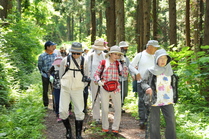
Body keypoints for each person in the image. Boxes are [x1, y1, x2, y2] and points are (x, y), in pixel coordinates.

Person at [141, 49, 177, 139]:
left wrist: (175, 96)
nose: (163, 61)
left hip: (167, 100)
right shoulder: (150, 71)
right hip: (154, 100)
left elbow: (174, 85)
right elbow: (143, 82)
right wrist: (147, 88)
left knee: (171, 121)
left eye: (165, 58)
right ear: (156, 59)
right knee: (154, 123)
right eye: (160, 58)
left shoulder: (170, 72)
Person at [94, 45, 128, 134]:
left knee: (118, 108)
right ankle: (105, 127)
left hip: (116, 88)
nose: (117, 56)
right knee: (105, 109)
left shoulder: (119, 64)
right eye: (115, 54)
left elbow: (124, 75)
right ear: (110, 54)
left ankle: (115, 128)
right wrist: (98, 81)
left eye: (119, 55)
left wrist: (124, 64)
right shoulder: (103, 62)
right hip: (105, 87)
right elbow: (96, 74)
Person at [129, 40, 160, 129]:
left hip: (153, 83)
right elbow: (131, 65)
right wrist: (137, 73)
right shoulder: (140, 55)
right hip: (141, 82)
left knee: (152, 101)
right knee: (142, 101)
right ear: (149, 47)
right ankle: (142, 120)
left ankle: (150, 120)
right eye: (155, 47)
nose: (156, 49)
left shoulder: (155, 57)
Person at [59, 42, 87, 139]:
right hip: (65, 89)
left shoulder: (84, 61)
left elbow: (86, 75)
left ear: (81, 53)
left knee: (79, 111)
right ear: (71, 52)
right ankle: (68, 130)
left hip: (78, 89)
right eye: (73, 53)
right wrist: (64, 83)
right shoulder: (64, 60)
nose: (75, 55)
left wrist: (82, 85)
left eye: (78, 53)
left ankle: (78, 134)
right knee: (62, 111)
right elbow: (61, 74)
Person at [86, 38, 107, 123]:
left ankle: (105, 117)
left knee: (104, 98)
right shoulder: (90, 56)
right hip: (94, 80)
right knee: (95, 98)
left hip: (104, 80)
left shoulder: (105, 56)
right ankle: (96, 117)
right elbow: (88, 68)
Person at [49, 47, 68, 122]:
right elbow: (49, 72)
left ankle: (65, 113)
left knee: (65, 101)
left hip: (64, 87)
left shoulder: (66, 68)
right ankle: (58, 114)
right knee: (57, 101)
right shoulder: (53, 68)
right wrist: (51, 77)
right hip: (56, 87)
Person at [38, 41, 57, 108]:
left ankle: (55, 104)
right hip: (45, 75)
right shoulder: (42, 56)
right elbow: (40, 66)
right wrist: (43, 73)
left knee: (54, 89)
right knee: (45, 90)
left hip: (53, 75)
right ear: (47, 47)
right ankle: (46, 104)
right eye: (52, 46)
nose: (53, 47)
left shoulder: (55, 55)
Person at [118, 41, 132, 113]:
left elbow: (129, 67)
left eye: (126, 47)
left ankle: (121, 105)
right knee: (118, 93)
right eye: (124, 47)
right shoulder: (116, 57)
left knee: (124, 93)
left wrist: (131, 75)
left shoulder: (126, 58)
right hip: (117, 78)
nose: (126, 49)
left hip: (125, 78)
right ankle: (118, 107)